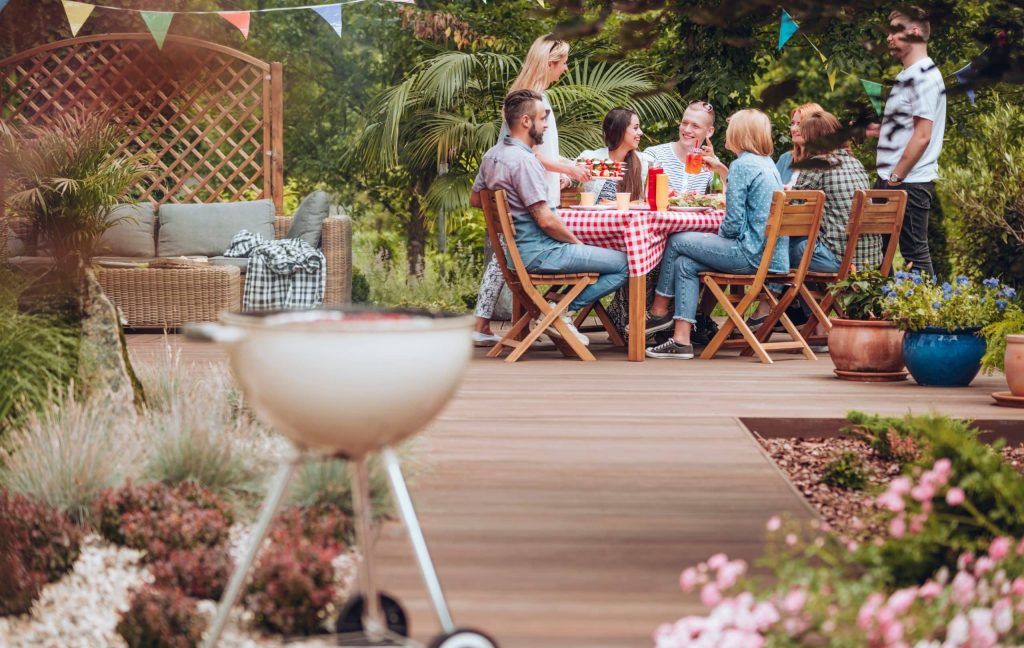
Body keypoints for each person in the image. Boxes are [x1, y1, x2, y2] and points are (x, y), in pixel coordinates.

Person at [469, 90, 628, 347]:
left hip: (514, 255)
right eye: (543, 118)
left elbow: (477, 200)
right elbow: (545, 220)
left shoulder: (492, 156)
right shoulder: (525, 161)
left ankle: (556, 310)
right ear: (525, 121)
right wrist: (577, 243)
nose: (546, 124)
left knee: (606, 258)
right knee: (627, 263)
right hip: (540, 253)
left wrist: (510, 211)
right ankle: (561, 312)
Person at [472, 34, 591, 346]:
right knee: (509, 257)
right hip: (525, 194)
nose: (565, 69)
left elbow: (539, 153)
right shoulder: (530, 101)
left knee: (504, 258)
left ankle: (515, 322)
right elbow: (525, 151)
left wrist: (562, 170)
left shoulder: (532, 96)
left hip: (532, 187)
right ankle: (542, 316)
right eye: (562, 62)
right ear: (549, 63)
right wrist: (567, 169)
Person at [644, 109, 785, 359]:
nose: (727, 133)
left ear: (740, 133)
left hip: (749, 255)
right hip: (770, 257)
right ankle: (681, 340)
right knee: (686, 263)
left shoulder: (743, 165)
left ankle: (658, 311)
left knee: (677, 240)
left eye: (731, 129)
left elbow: (731, 225)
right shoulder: (766, 163)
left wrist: (713, 237)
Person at [868, 5, 946, 277]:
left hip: (908, 181)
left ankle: (926, 319)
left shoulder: (923, 76)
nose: (888, 38)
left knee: (914, 254)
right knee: (880, 253)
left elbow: (923, 135)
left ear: (913, 32)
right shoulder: (907, 75)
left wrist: (896, 177)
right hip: (892, 178)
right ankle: (883, 316)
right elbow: (910, 128)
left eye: (894, 31)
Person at [791, 110, 877, 274]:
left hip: (838, 259)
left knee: (781, 247)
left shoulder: (817, 164)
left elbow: (792, 208)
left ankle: (775, 297)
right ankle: (801, 299)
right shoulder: (855, 162)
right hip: (870, 259)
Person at [645, 101, 728, 195]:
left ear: (709, 132)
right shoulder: (654, 154)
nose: (687, 130)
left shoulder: (711, 161)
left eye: (695, 126)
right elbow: (642, 194)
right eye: (684, 123)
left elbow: (727, 195)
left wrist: (719, 167)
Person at [578, 107, 652, 202]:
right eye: (635, 128)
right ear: (619, 130)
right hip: (597, 216)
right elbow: (570, 172)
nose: (641, 132)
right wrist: (566, 179)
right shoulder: (592, 158)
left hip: (630, 216)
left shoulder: (645, 162)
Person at [775, 102, 824, 186]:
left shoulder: (825, 161)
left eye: (800, 124)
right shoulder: (785, 159)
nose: (793, 129)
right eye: (792, 123)